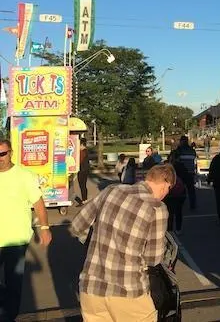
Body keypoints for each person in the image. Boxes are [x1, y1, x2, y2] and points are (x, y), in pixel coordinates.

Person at [71, 164, 175, 322]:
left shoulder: (111, 190)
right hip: (129, 292)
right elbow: (152, 259)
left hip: (91, 288)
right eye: (169, 190)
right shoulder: (157, 209)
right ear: (165, 184)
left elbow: (77, 225)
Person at [0, 139, 52, 322]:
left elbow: (38, 203)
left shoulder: (24, 175)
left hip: (16, 240)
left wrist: (44, 228)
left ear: (11, 153)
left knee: (14, 283)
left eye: (3, 154)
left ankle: (9, 316)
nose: (0, 159)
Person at [170, 135, 197, 210]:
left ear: (181, 141)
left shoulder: (179, 150)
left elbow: (174, 160)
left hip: (181, 172)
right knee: (191, 189)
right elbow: (194, 160)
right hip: (190, 172)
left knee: (180, 189)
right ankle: (193, 204)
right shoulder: (192, 150)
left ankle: (179, 204)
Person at [164, 161, 187, 234]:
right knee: (178, 212)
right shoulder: (177, 174)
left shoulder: (165, 176)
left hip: (170, 196)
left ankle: (169, 230)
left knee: (170, 214)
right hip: (180, 195)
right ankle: (178, 229)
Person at [77, 138, 90, 205]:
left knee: (82, 185)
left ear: (81, 144)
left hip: (82, 170)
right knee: (83, 185)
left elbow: (79, 160)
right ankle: (85, 199)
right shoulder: (86, 151)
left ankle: (84, 200)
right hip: (85, 170)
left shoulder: (82, 152)